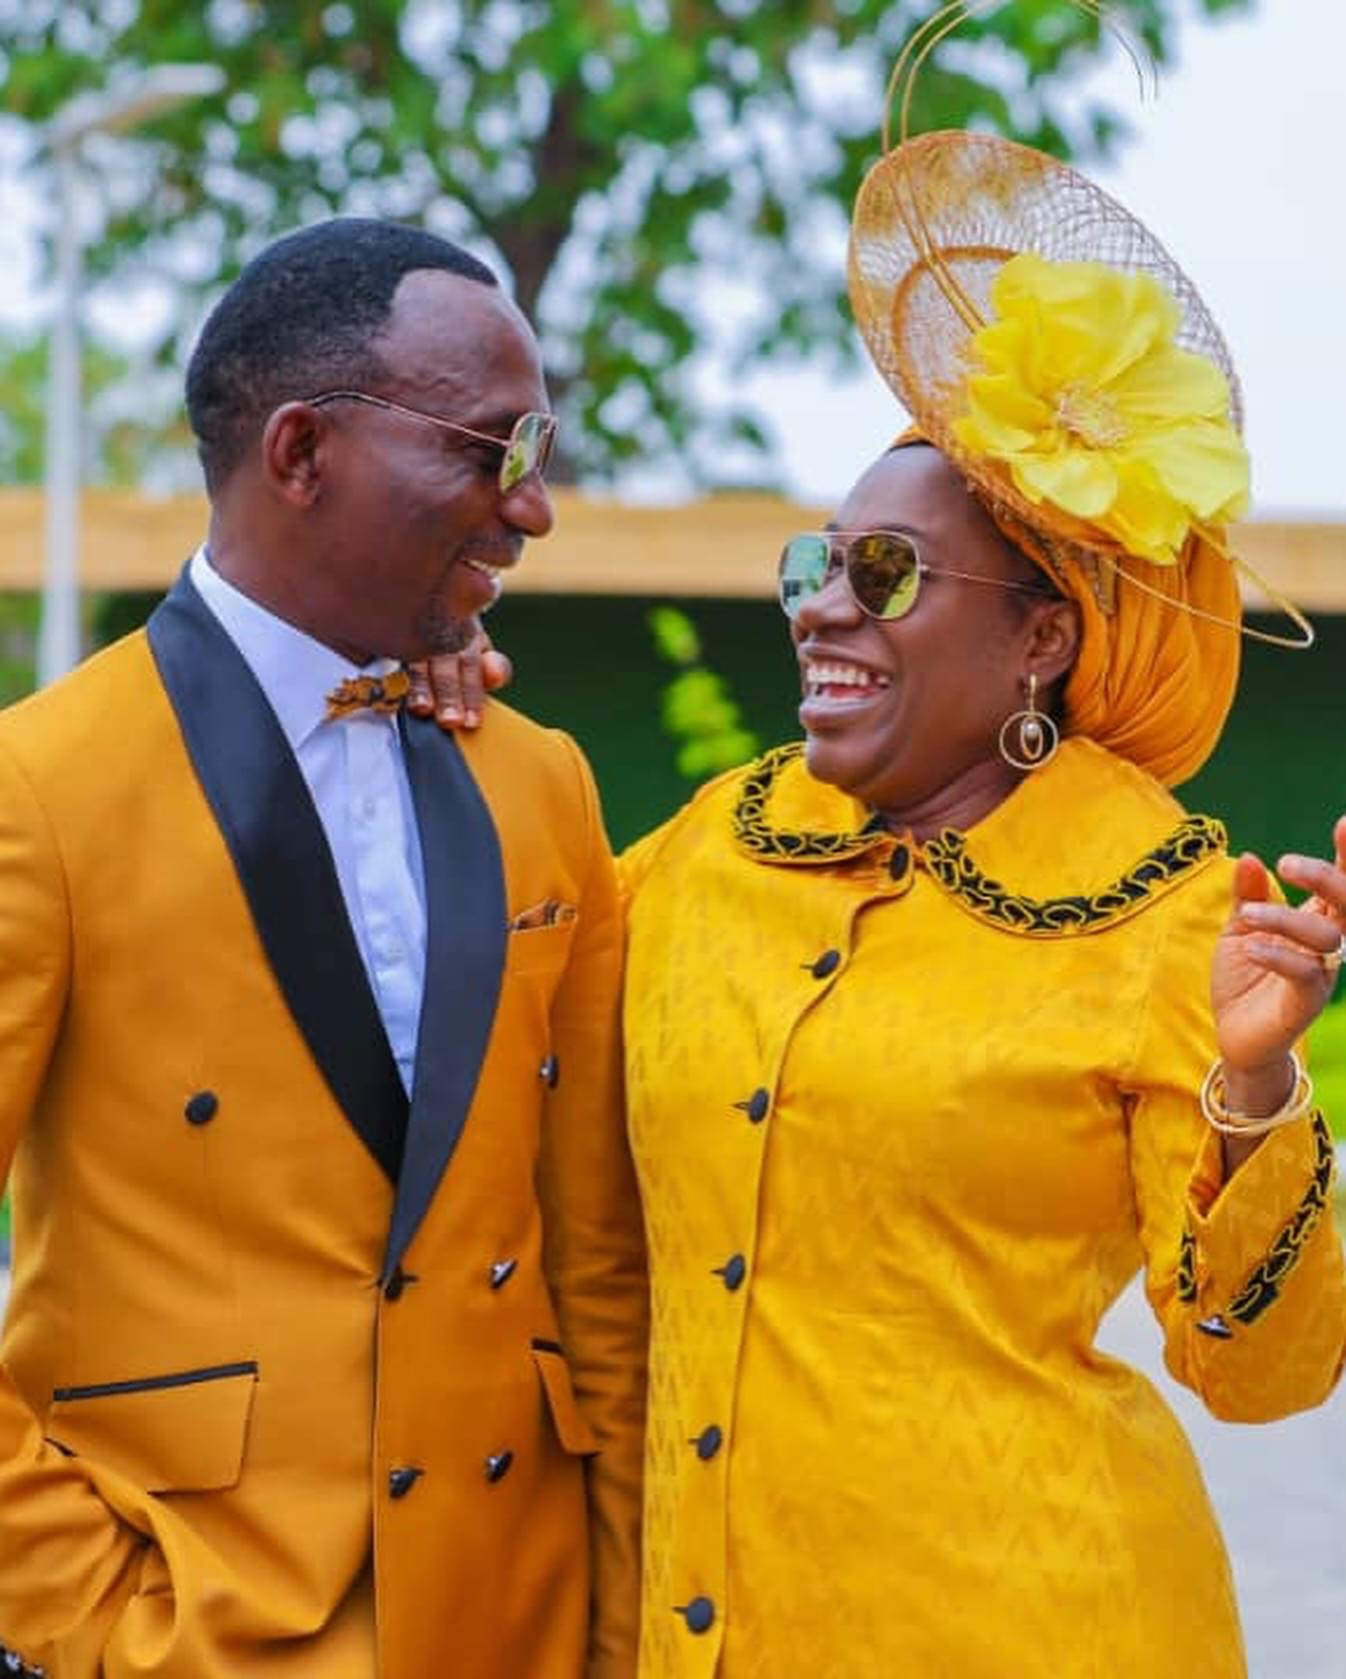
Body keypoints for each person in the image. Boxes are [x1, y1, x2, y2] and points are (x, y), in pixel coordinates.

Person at [422, 125, 1346, 1677]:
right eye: (816, 565)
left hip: (1044, 1626)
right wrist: (436, 721)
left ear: (1041, 642)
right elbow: (494, 977)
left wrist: (1255, 1090)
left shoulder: (1160, 910)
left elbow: (1260, 1378)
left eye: (887, 576)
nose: (822, 611)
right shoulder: (717, 848)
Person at [0, 219, 647, 1679]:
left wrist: (613, 1631)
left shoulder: (539, 780)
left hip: (520, 1622)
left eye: (537, 449)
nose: (533, 506)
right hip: (203, 1621)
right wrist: (96, 1621)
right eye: (491, 447)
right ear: (301, 452)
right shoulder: (39, 789)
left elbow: (594, 1255)